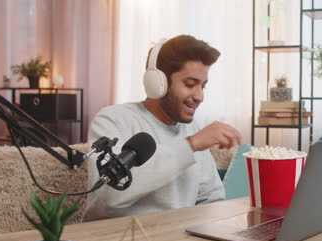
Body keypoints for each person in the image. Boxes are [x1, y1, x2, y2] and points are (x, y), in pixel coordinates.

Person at [83, 35, 242, 221]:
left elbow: (212, 200)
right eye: (190, 84)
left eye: (203, 86)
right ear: (158, 82)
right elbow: (108, 197)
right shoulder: (113, 120)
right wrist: (191, 145)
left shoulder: (192, 130)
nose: (199, 96)